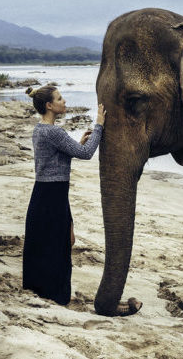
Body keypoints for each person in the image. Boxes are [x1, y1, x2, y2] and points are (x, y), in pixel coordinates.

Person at [23, 85, 142, 314]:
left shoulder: (39, 130)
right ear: (49, 106)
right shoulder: (54, 133)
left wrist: (76, 144)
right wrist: (99, 124)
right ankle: (56, 295)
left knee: (50, 243)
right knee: (60, 244)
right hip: (53, 195)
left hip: (44, 193)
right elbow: (86, 154)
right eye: (59, 98)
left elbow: (56, 157)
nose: (64, 101)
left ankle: (41, 288)